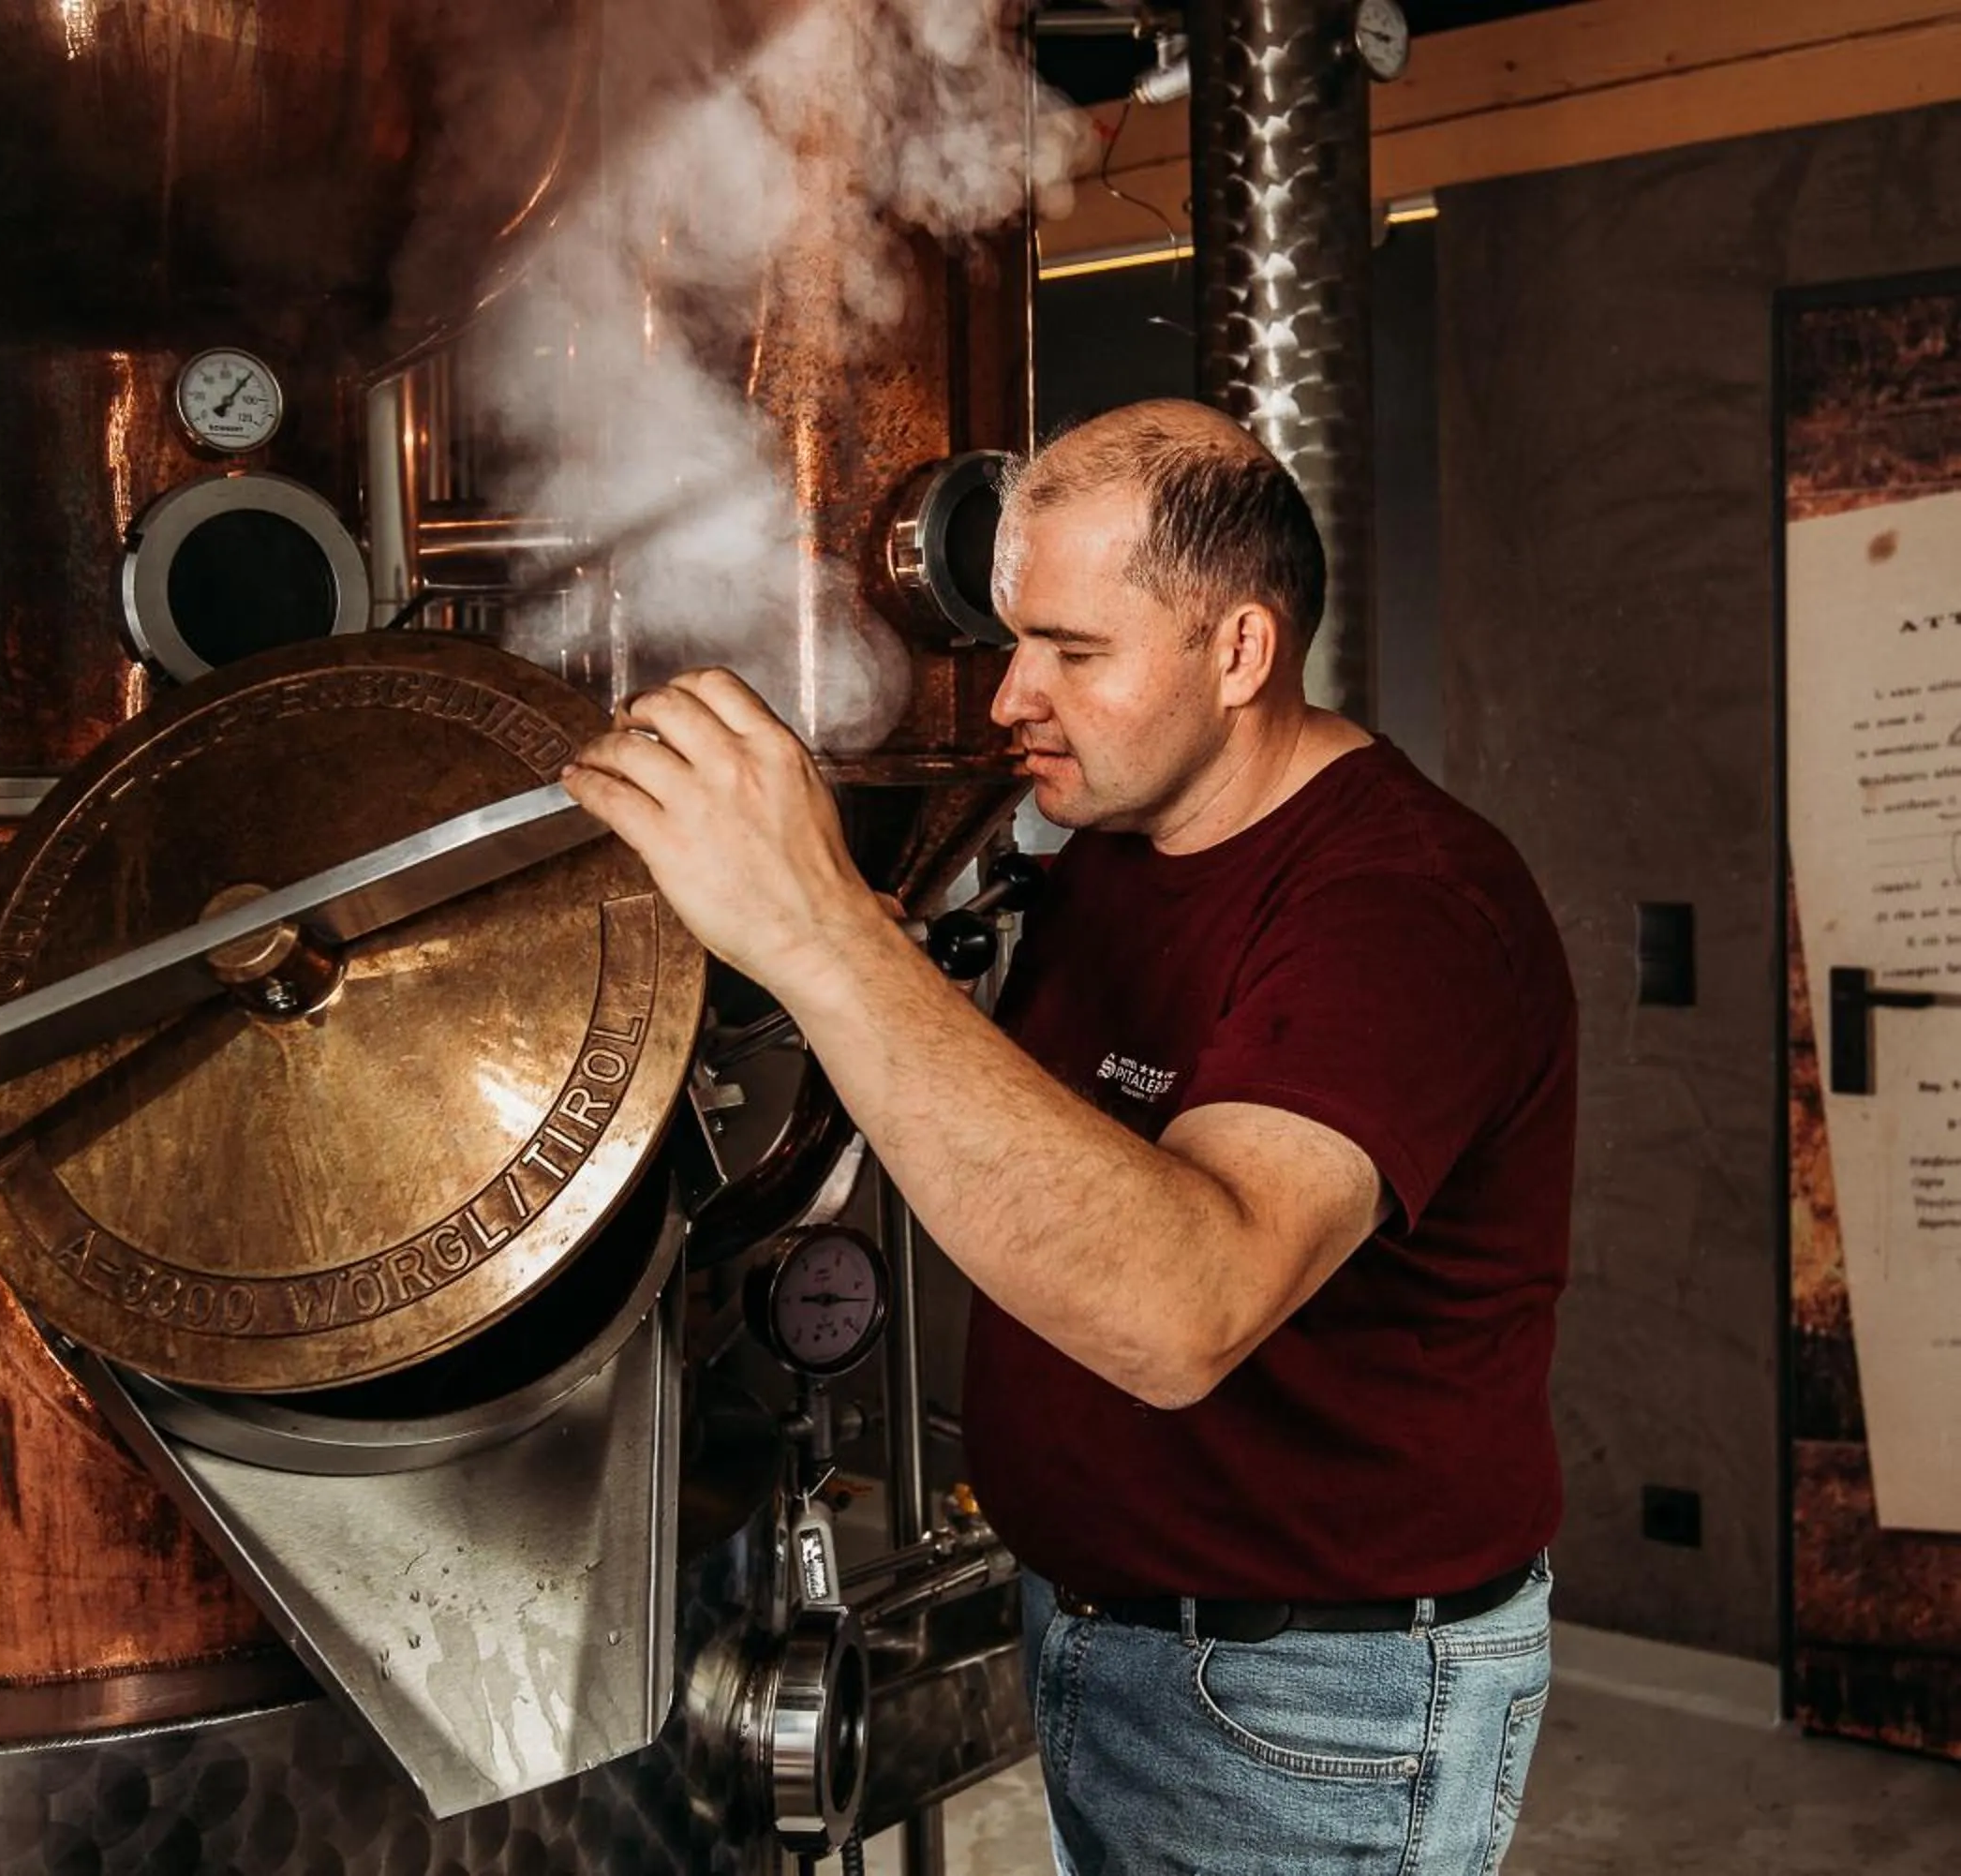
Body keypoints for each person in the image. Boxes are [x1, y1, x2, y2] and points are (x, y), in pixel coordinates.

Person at [559, 398, 1575, 1876]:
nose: (1007, 696)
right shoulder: (1112, 844)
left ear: (1240, 651)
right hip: (1103, 1629)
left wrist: (830, 939)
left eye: (1074, 653)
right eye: (1016, 637)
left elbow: (1183, 1305)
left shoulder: (1403, 907)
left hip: (1315, 1696)